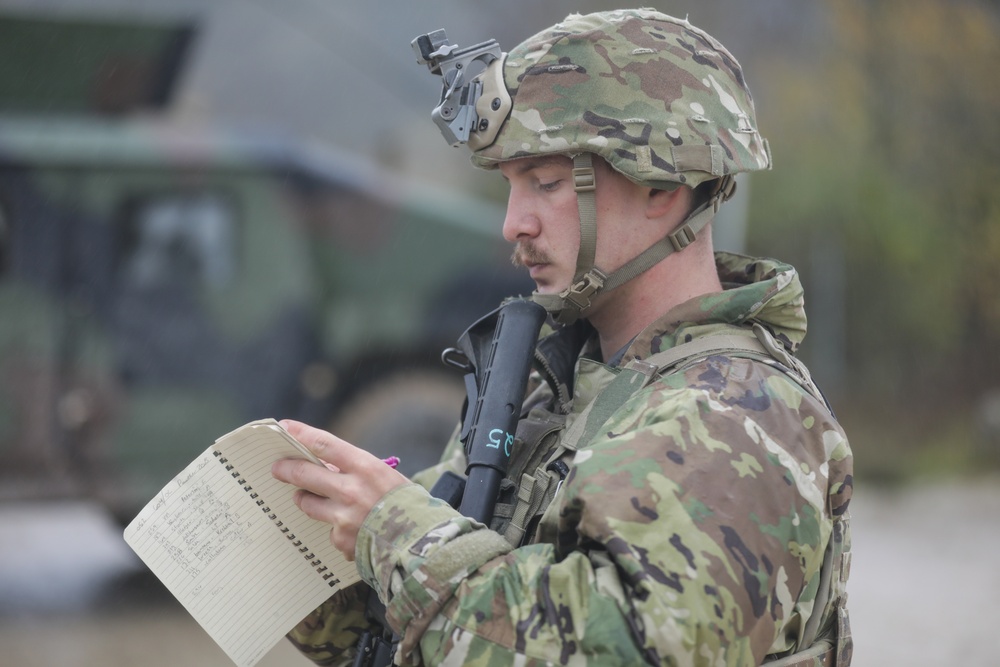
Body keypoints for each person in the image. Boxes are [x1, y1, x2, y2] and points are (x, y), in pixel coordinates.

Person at [271, 8, 853, 666]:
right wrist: (313, 544)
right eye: (510, 187)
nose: (513, 223)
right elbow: (423, 591)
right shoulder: (551, 389)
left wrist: (397, 537)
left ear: (659, 184)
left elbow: (626, 649)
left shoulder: (739, 413)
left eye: (546, 184)